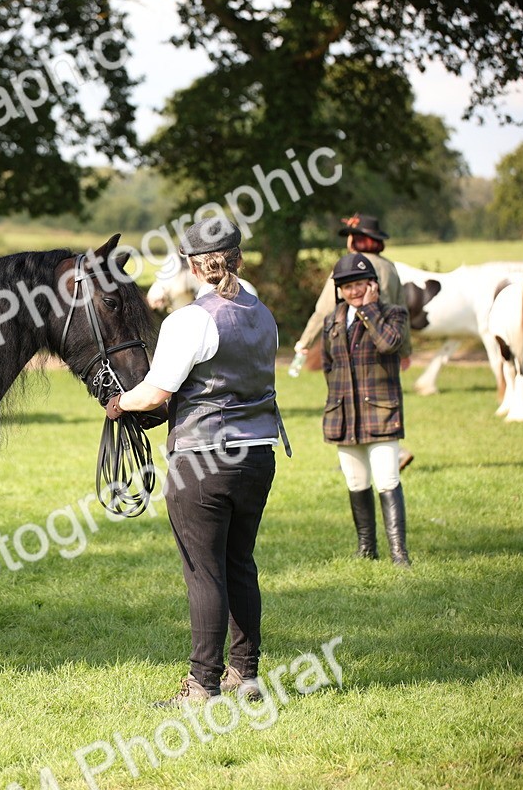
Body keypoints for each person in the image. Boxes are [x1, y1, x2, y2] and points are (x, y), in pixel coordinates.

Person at [106, 217, 288, 705]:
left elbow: (156, 392)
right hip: (259, 453)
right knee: (239, 563)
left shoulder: (190, 320)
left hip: (203, 460)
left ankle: (203, 684)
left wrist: (119, 403)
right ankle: (245, 676)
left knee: (204, 573)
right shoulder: (264, 315)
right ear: (238, 259)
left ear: (191, 266)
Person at [295, 213, 414, 468]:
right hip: (386, 342)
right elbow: (401, 308)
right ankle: (381, 453)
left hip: (356, 344)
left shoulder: (347, 268)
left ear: (356, 240)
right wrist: (405, 351)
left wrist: (305, 341)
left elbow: (325, 309)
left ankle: (357, 455)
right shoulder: (390, 267)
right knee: (380, 402)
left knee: (352, 398)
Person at [323, 252, 411, 567]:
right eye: (348, 287)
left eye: (360, 284)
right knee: (356, 482)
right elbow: (329, 366)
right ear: (340, 290)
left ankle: (399, 553)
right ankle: (366, 548)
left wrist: (370, 310)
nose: (354, 291)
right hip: (344, 415)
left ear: (373, 284)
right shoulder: (332, 320)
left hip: (381, 412)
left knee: (387, 480)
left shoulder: (393, 313)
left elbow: (389, 344)